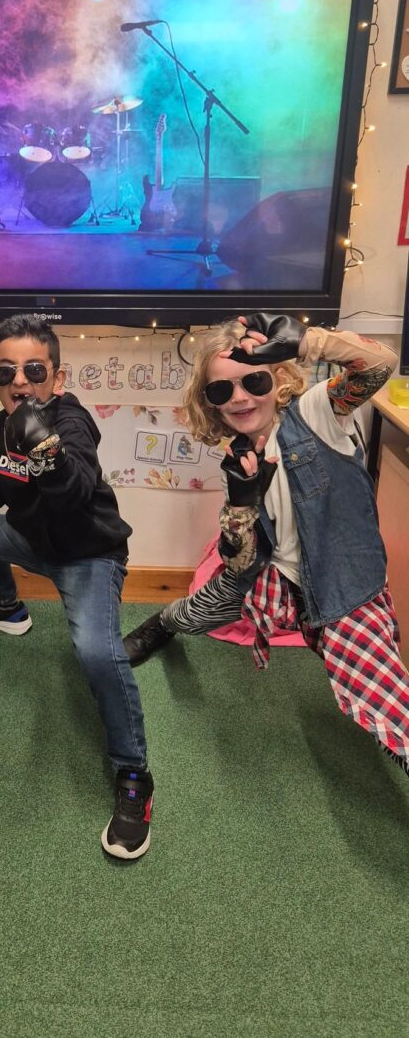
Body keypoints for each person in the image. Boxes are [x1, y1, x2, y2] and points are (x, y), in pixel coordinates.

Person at [123, 312, 409, 776]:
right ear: (211, 403)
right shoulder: (238, 457)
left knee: (382, 691)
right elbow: (239, 560)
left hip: (340, 583)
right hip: (270, 578)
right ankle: (163, 623)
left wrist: (309, 341)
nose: (239, 397)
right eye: (222, 390)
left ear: (278, 380)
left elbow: (380, 365)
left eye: (253, 380)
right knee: (197, 611)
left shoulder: (317, 413)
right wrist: (240, 506)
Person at [0, 313, 154, 859]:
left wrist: (46, 452)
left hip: (89, 554)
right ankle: (7, 609)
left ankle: (134, 775)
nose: (20, 381)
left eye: (34, 369)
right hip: (33, 541)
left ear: (57, 376)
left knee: (96, 653)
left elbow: (75, 492)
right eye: (5, 371)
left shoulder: (71, 420)